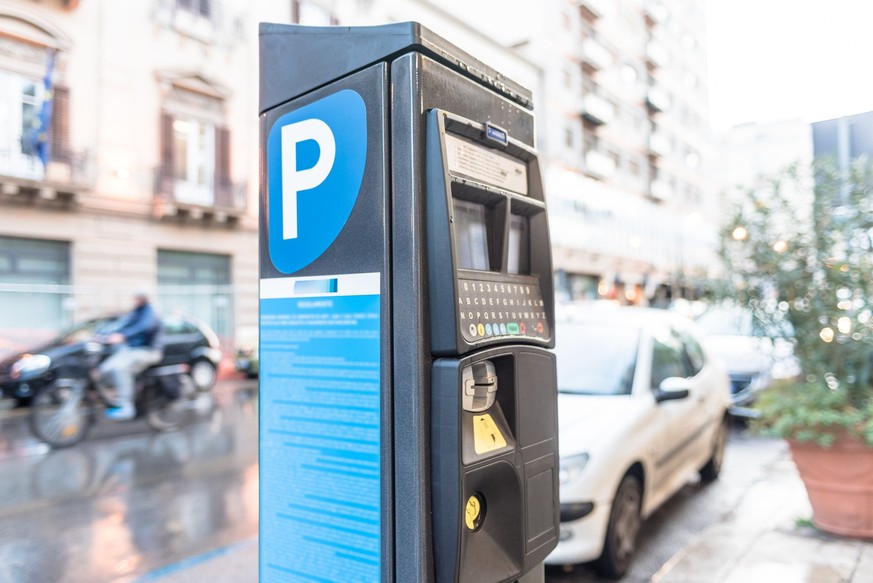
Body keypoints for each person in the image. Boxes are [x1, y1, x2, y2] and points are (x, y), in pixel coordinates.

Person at [99, 291, 163, 420]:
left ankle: (127, 407)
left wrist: (123, 335)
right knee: (105, 368)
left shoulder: (151, 311)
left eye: (136, 298)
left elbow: (144, 327)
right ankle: (117, 396)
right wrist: (105, 335)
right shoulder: (136, 311)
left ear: (142, 298)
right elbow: (124, 324)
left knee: (121, 369)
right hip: (131, 350)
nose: (133, 301)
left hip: (149, 351)